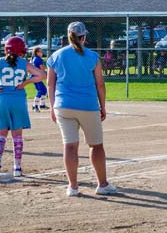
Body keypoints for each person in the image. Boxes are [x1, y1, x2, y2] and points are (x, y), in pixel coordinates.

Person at [47, 22, 117, 197]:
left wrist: (52, 106)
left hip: (63, 105)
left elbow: (50, 84)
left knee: (70, 146)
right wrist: (103, 106)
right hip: (87, 105)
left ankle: (73, 187)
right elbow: (100, 84)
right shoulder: (92, 56)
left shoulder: (56, 56)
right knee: (96, 145)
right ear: (84, 36)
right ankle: (102, 184)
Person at [0, 37, 45, 177]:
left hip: (2, 99)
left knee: (1, 133)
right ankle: (17, 167)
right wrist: (26, 82)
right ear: (21, 50)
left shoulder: (0, 61)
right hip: (18, 100)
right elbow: (41, 75)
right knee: (17, 135)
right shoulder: (24, 63)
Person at [30, 46, 48, 112]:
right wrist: (47, 73)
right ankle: (35, 105)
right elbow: (42, 69)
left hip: (34, 76)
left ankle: (42, 105)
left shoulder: (33, 58)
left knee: (44, 89)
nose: (41, 53)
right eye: (40, 52)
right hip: (36, 77)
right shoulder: (39, 59)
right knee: (40, 90)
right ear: (36, 53)